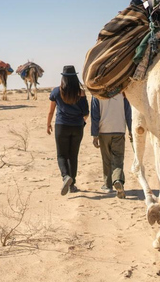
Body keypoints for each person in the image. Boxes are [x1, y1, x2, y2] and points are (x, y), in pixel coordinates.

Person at [46, 65, 89, 196]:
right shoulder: (81, 93)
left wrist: (48, 124)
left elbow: (51, 111)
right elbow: (86, 113)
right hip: (77, 127)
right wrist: (82, 123)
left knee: (61, 155)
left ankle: (65, 177)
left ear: (63, 77)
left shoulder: (56, 91)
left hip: (61, 126)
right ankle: (72, 185)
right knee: (73, 156)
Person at [90, 94, 132, 198]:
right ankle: (117, 180)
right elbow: (128, 113)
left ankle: (108, 185)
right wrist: (131, 130)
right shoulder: (122, 93)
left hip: (104, 130)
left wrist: (95, 135)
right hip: (119, 129)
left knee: (106, 158)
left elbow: (95, 116)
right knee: (118, 158)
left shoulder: (96, 94)